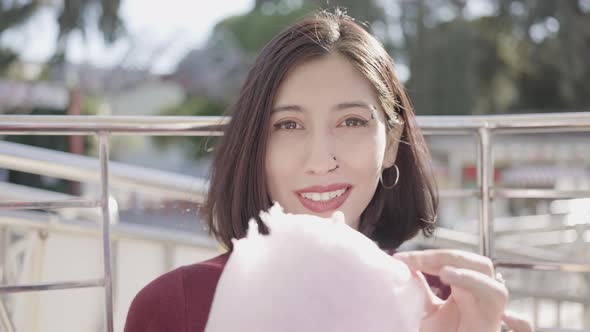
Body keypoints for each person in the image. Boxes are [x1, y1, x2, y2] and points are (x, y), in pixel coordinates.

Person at [124, 9, 531, 332]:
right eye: (288, 125)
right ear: (256, 147)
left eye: (352, 121)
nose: (321, 160)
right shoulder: (175, 307)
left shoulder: (447, 301)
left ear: (390, 144)